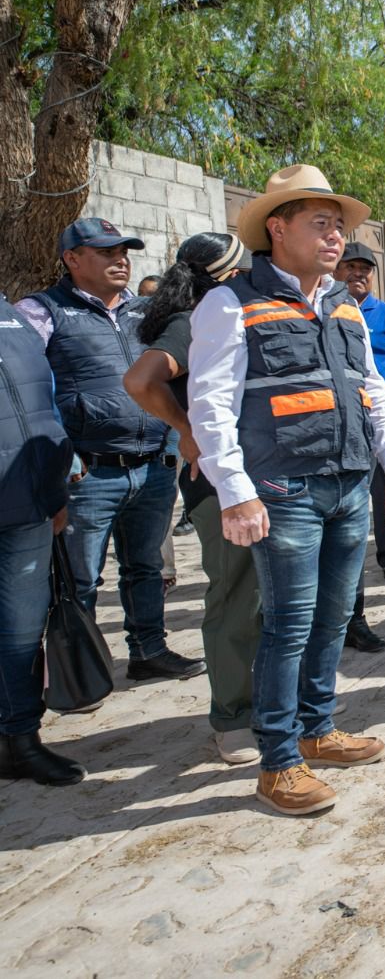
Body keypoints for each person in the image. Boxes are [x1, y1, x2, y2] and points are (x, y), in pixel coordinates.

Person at [190, 164, 385, 815]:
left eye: (339, 224)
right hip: (282, 488)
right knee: (286, 626)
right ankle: (278, 761)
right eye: (321, 223)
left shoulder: (345, 305)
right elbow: (209, 405)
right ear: (277, 229)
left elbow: (371, 391)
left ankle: (318, 729)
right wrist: (234, 490)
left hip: (347, 485)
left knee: (333, 617)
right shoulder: (229, 303)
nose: (336, 235)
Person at [18, 219, 202, 682]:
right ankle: (76, 672)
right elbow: (26, 388)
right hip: (88, 471)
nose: (121, 259)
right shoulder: (42, 312)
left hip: (153, 465)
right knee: (78, 579)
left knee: (145, 567)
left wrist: (173, 440)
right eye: (106, 252)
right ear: (73, 259)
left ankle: (148, 651)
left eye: (125, 251)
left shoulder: (147, 311)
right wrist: (66, 459)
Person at [123, 233, 264, 765]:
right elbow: (140, 380)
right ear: (229, 275)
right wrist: (185, 428)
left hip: (248, 480)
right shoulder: (198, 318)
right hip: (219, 487)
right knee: (235, 598)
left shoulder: (209, 312)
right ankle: (232, 720)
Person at [0, 295, 82, 785]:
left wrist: (56, 482)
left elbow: (42, 403)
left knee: (20, 633)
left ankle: (20, 740)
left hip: (29, 502)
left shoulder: (13, 316)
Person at [334, 242, 385, 654]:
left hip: (377, 419)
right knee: (345, 528)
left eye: (365, 269)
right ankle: (339, 618)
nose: (357, 274)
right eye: (350, 267)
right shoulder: (326, 308)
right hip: (330, 433)